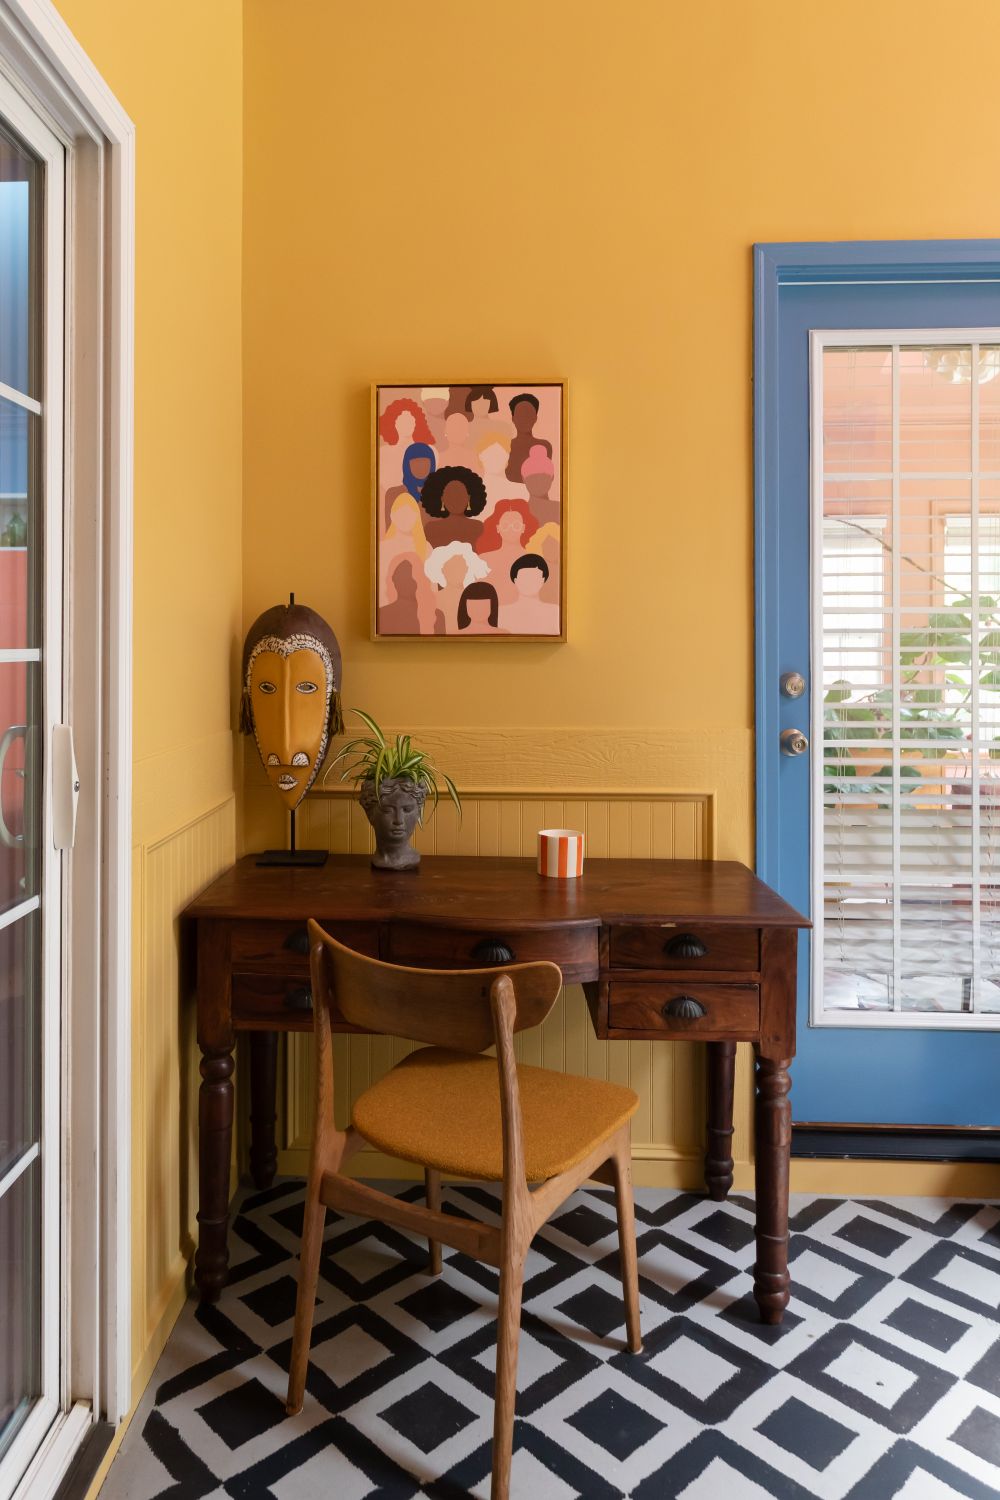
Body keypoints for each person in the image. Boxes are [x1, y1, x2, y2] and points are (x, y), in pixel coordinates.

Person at [475, 499, 539, 602]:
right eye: (505, 525)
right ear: (498, 528)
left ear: (523, 528)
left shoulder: (533, 560)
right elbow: (476, 594)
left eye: (516, 525)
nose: (511, 529)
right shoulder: (483, 560)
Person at [424, 540, 489, 633]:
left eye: (460, 566)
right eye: (451, 567)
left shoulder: (474, 599)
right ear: (442, 570)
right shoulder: (433, 599)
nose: (456, 571)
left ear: (467, 569)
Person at [419, 465, 489, 547]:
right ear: (442, 499)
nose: (455, 499)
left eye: (460, 495)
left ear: (469, 498)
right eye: (450, 495)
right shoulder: (431, 529)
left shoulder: (478, 528)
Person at [498, 553, 560, 635]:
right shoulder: (502, 612)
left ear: (543, 580)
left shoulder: (554, 611)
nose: (529, 582)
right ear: (515, 579)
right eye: (524, 577)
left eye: (534, 577)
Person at [379, 396, 434, 488]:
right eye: (402, 419)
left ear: (416, 423)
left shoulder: (429, 452)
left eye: (410, 419)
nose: (407, 423)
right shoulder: (383, 453)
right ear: (394, 423)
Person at [383, 441, 436, 528]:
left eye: (424, 462)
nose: (420, 466)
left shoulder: (440, 494)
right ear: (407, 465)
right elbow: (390, 531)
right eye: (415, 462)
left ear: (432, 465)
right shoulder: (394, 494)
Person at [506, 392, 552, 482]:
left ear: (535, 418)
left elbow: (546, 479)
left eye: (528, 414)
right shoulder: (505, 446)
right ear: (513, 419)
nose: (524, 419)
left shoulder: (544, 446)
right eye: (520, 414)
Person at [521, 443, 559, 525]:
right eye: (532, 478)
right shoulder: (520, 512)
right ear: (524, 479)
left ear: (552, 478)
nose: (538, 482)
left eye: (543, 477)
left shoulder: (559, 509)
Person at [525, 520, 561, 603]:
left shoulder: (565, 570)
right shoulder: (534, 572)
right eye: (547, 544)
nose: (550, 549)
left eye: (554, 544)